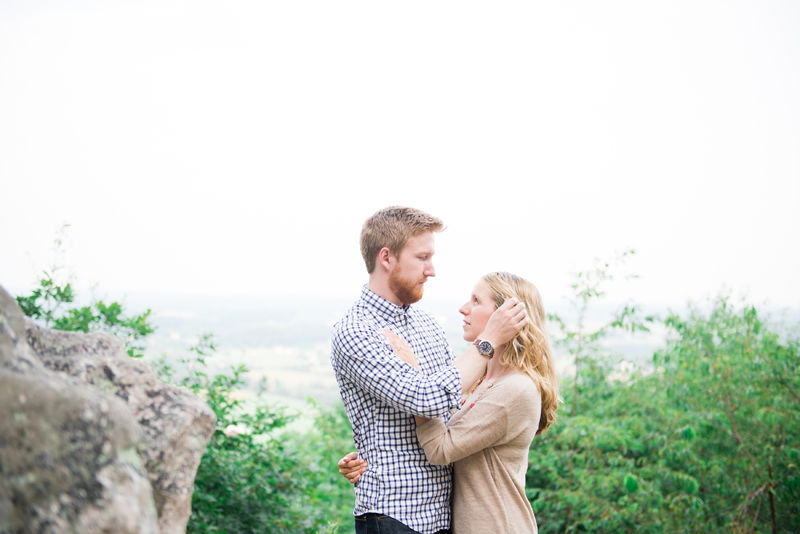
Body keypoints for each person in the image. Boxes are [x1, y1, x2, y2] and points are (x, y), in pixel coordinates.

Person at [330, 206, 528, 534]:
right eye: (422, 257)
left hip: (444, 515)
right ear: (386, 258)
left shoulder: (426, 324)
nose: (431, 270)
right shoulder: (356, 330)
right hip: (395, 516)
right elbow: (427, 399)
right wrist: (488, 340)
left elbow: (454, 400)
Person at [342, 272, 559, 533]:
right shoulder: (480, 379)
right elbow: (455, 438)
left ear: (505, 316)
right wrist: (373, 461)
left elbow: (441, 449)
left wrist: (415, 380)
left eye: (477, 301)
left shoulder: (515, 389)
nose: (464, 308)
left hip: (498, 526)